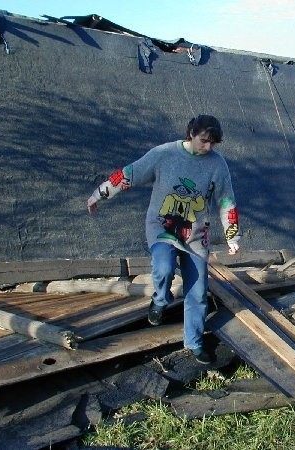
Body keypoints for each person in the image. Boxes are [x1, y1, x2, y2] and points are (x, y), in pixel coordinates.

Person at [87, 115, 240, 365]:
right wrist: (99, 194)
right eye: (204, 141)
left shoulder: (217, 164)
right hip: (162, 226)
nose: (208, 148)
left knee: (198, 293)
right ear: (191, 133)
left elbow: (226, 200)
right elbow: (130, 174)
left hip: (195, 236)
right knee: (164, 267)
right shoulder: (164, 154)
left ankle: (194, 343)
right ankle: (159, 301)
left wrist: (233, 235)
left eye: (213, 143)